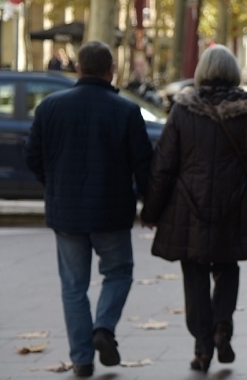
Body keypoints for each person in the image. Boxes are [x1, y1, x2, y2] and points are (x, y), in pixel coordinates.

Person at [140, 45, 247, 373]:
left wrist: (151, 210)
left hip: (189, 206)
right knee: (228, 266)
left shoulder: (183, 111)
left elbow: (163, 165)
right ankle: (222, 326)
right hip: (236, 205)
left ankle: (202, 345)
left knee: (195, 270)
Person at [24, 41, 153, 377]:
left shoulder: (50, 107)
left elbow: (32, 157)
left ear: (77, 69)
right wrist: (149, 202)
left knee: (73, 286)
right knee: (119, 272)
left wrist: (53, 184)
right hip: (112, 210)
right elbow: (143, 165)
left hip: (66, 212)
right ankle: (104, 328)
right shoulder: (125, 111)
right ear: (111, 70)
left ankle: (82, 359)